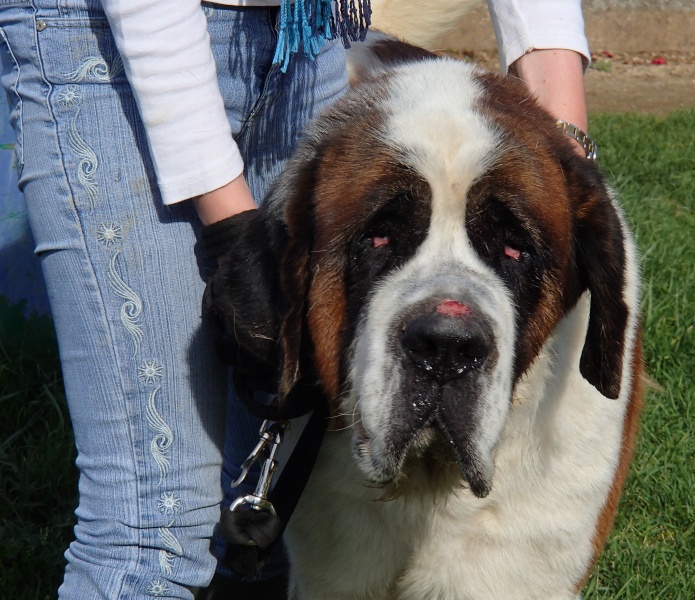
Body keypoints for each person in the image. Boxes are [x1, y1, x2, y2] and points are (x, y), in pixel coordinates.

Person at [0, 0, 591, 598]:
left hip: (306, 38)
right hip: (117, 41)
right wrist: (235, 236)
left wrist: (566, 145)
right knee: (155, 532)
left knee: (263, 514)